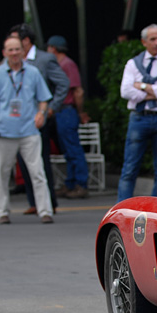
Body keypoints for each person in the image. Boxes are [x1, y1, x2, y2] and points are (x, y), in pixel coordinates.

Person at [0, 35, 54, 224]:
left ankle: (45, 210)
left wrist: (41, 113)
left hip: (29, 130)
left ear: (23, 51)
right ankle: (2, 211)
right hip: (4, 131)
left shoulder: (33, 72)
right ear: (4, 53)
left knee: (37, 172)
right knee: (0, 173)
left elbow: (43, 98)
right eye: (10, 50)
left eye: (17, 49)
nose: (14, 53)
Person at [9, 24, 69, 214]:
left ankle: (48, 202)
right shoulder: (12, 62)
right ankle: (33, 201)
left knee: (40, 162)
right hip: (19, 119)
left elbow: (63, 83)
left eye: (16, 41)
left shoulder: (44, 59)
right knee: (23, 161)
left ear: (26, 41)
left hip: (39, 118)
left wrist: (51, 109)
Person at [118, 24, 157, 200]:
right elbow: (125, 92)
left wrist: (142, 86)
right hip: (139, 118)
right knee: (129, 167)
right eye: (153, 39)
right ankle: (121, 210)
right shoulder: (133, 64)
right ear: (143, 42)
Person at [45, 35, 90, 199]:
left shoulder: (67, 64)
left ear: (53, 48)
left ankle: (80, 184)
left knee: (73, 148)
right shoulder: (58, 64)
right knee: (67, 149)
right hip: (61, 111)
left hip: (67, 110)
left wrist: (80, 112)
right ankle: (70, 183)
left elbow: (78, 91)